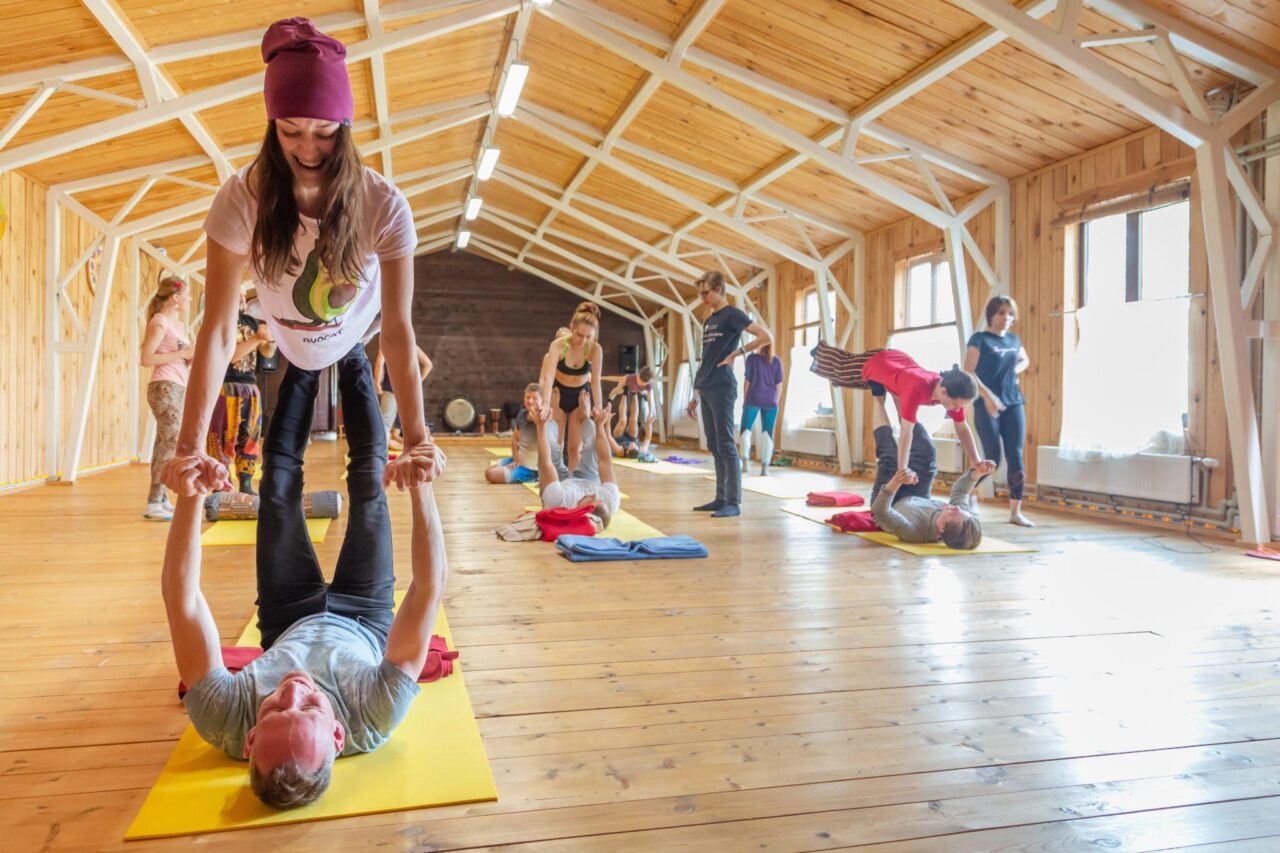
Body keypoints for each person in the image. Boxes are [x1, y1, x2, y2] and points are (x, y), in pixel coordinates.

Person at [162, 18, 433, 500]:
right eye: (291, 131)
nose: (309, 149)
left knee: (368, 455)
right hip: (289, 338)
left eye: (325, 133)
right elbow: (219, 329)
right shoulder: (242, 198)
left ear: (345, 129)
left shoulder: (384, 205)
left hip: (354, 331)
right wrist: (189, 446)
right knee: (281, 455)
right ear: (272, 128)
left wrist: (418, 441)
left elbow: (397, 332)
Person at [163, 353, 447, 809]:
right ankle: (352, 351)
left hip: (286, 618)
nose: (295, 688)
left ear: (251, 738)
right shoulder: (375, 712)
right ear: (338, 734)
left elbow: (183, 601)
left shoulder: (223, 718)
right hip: (365, 615)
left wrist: (190, 492)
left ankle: (303, 352)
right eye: (311, 707)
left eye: (274, 707)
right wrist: (421, 482)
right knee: (370, 482)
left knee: (277, 486)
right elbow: (427, 589)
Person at [809, 342, 990, 482]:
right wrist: (902, 468)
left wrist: (976, 459)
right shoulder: (918, 389)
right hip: (878, 362)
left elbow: (963, 428)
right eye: (956, 405)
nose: (957, 410)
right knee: (842, 373)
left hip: (898, 365)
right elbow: (906, 432)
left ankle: (879, 385)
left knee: (893, 391)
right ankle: (819, 351)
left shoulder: (949, 393)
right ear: (944, 392)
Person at [686, 271, 774, 518]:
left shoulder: (733, 315)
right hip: (706, 385)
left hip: (723, 387)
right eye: (700, 293)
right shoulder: (709, 320)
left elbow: (766, 336)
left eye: (706, 292)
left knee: (725, 443)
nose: (702, 297)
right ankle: (720, 497)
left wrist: (738, 353)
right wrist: (695, 394)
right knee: (714, 444)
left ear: (719, 289)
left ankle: (734, 501)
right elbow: (707, 358)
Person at [869, 396, 994, 549]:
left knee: (889, 459)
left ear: (941, 529)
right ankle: (900, 395)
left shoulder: (915, 533)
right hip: (917, 495)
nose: (957, 508)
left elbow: (880, 511)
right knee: (926, 452)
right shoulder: (960, 518)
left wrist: (897, 480)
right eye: (961, 510)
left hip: (889, 502)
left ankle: (877, 398)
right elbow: (961, 491)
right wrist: (977, 474)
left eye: (955, 513)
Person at [964, 296, 1033, 527]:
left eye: (1010, 313)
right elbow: (969, 371)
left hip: (1013, 402)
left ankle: (1015, 512)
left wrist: (1015, 371)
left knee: (1016, 454)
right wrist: (988, 396)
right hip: (986, 405)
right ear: (991, 314)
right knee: (993, 456)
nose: (1006, 318)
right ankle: (970, 494)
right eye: (1001, 312)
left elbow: (1024, 360)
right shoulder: (979, 339)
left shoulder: (1014, 340)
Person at [209, 288, 276, 495]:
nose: (240, 297)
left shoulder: (251, 321)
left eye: (241, 294)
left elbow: (268, 351)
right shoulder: (220, 321)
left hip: (250, 386)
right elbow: (232, 356)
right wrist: (258, 338)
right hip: (226, 387)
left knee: (250, 438)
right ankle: (221, 484)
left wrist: (270, 336)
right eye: (235, 293)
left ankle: (246, 483)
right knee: (221, 438)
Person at [140, 276, 195, 521]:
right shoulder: (159, 322)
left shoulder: (179, 326)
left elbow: (181, 358)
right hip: (163, 387)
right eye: (187, 295)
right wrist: (182, 352)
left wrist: (190, 356)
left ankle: (159, 498)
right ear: (175, 297)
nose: (190, 299)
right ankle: (153, 502)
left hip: (178, 386)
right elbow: (147, 358)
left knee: (165, 443)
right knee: (170, 441)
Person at [538, 304, 604, 475]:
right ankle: (555, 480)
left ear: (594, 334)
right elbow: (549, 376)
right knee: (557, 446)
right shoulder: (558, 345)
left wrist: (598, 406)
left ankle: (572, 482)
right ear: (571, 327)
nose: (582, 340)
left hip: (579, 397)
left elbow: (595, 382)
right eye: (579, 334)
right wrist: (545, 403)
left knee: (575, 448)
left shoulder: (595, 349)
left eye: (588, 336)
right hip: (558, 395)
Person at [533, 402, 620, 530]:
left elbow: (545, 462)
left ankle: (551, 416)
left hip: (561, 481)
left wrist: (541, 427)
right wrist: (600, 425)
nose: (593, 496)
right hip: (589, 477)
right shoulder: (611, 501)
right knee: (592, 437)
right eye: (596, 498)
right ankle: (585, 417)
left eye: (590, 501)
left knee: (550, 444)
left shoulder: (558, 502)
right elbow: (605, 461)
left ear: (581, 512)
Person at [373, 342, 433, 451]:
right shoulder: (412, 345)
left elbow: (379, 363)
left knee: (385, 424)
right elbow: (428, 365)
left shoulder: (387, 343)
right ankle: (425, 453)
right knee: (419, 421)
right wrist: (418, 382)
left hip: (391, 389)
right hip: (410, 391)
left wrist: (377, 382)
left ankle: (382, 456)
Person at [740, 342, 783, 476]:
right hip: (771, 400)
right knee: (767, 434)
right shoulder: (776, 361)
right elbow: (779, 385)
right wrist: (776, 401)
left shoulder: (752, 359)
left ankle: (745, 464)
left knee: (745, 431)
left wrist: (745, 400)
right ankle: (765, 469)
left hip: (753, 398)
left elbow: (747, 382)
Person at [485, 383, 542, 484]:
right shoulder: (522, 414)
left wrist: (538, 422)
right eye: (528, 397)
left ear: (542, 400)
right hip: (520, 460)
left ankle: (533, 477)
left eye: (535, 398)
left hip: (531, 469)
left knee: (491, 475)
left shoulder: (544, 418)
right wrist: (515, 460)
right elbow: (515, 439)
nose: (530, 401)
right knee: (488, 471)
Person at [605, 391, 656, 461]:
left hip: (619, 439)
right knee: (634, 420)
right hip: (632, 437)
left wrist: (607, 421)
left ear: (628, 451)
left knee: (623, 420)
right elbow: (647, 438)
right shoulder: (641, 450)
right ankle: (634, 392)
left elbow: (608, 436)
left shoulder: (620, 451)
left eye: (632, 446)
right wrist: (649, 424)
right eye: (636, 446)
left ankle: (625, 393)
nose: (633, 444)